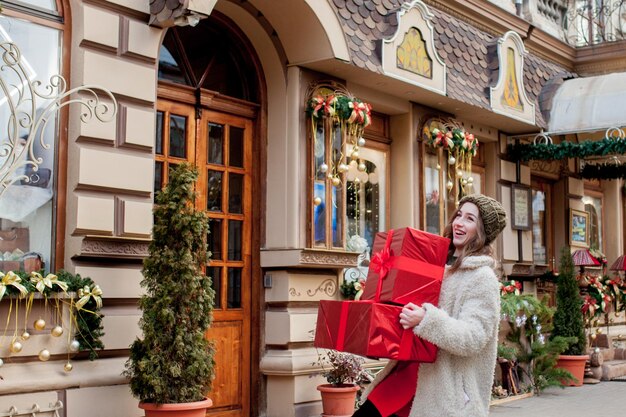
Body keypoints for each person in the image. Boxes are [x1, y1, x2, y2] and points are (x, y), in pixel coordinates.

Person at [353, 194, 507, 417]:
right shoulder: (441, 268)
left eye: (470, 219)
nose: (459, 222)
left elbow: (473, 338)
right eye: (459, 215)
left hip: (443, 391)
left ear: (483, 231)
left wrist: (427, 319)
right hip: (404, 379)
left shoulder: (482, 278)